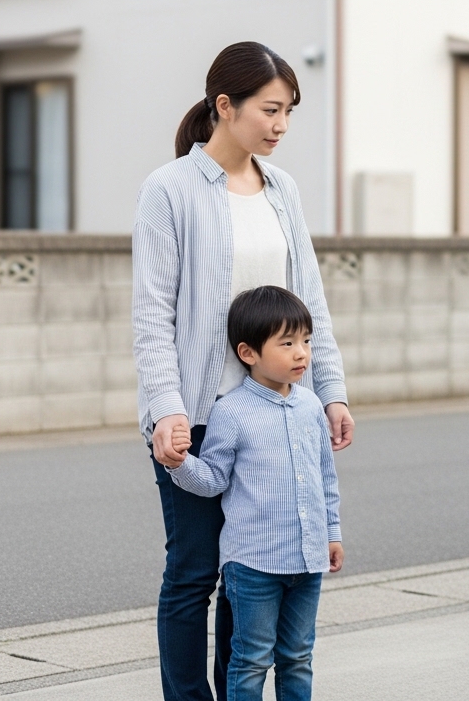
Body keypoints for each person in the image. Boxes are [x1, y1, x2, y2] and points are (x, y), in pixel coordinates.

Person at [133, 41, 352, 701]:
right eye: (270, 110)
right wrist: (167, 409)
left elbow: (310, 301)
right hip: (197, 417)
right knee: (194, 572)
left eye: (288, 112)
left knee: (248, 574)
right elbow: (152, 312)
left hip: (274, 413)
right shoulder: (169, 189)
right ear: (225, 106)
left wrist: (332, 391)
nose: (281, 125)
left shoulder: (282, 189)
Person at [162, 286, 343, 701]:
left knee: (298, 656)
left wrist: (332, 532)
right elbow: (214, 479)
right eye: (287, 343)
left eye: (306, 341)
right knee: (251, 660)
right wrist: (180, 463)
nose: (301, 353)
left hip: (308, 560)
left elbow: (325, 478)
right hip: (254, 565)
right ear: (248, 353)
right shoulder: (231, 411)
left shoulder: (311, 406)